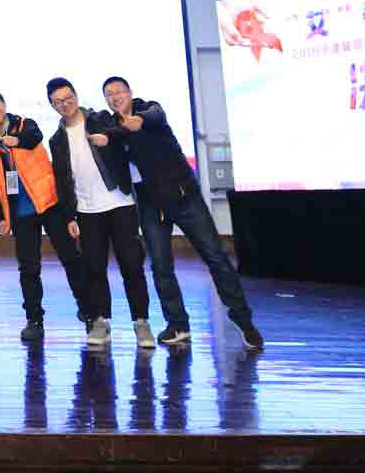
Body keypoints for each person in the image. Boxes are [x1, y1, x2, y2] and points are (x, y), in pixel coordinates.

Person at [98, 76, 263, 350]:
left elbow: (155, 116)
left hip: (183, 196)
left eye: (120, 91)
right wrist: (106, 139)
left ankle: (243, 320)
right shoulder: (112, 126)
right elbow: (114, 139)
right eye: (109, 94)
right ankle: (177, 324)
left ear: (130, 92)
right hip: (150, 203)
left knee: (216, 257)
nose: (115, 97)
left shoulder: (149, 110)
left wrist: (138, 121)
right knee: (161, 266)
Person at [45, 77, 155, 349]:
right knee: (94, 268)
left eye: (68, 97)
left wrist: (109, 139)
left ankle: (141, 322)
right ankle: (100, 321)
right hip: (86, 210)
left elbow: (122, 136)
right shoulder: (56, 139)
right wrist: (69, 216)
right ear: (52, 105)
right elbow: (62, 180)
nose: (65, 104)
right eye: (58, 101)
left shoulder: (100, 118)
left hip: (120, 203)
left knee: (132, 264)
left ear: (76, 95)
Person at [0, 87, 90, 343]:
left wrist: (15, 141)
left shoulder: (25, 125)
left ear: (4, 104)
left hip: (49, 202)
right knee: (28, 268)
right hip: (20, 212)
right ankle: (34, 320)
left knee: (71, 258)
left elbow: (34, 137)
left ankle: (88, 310)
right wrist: (0, 217)